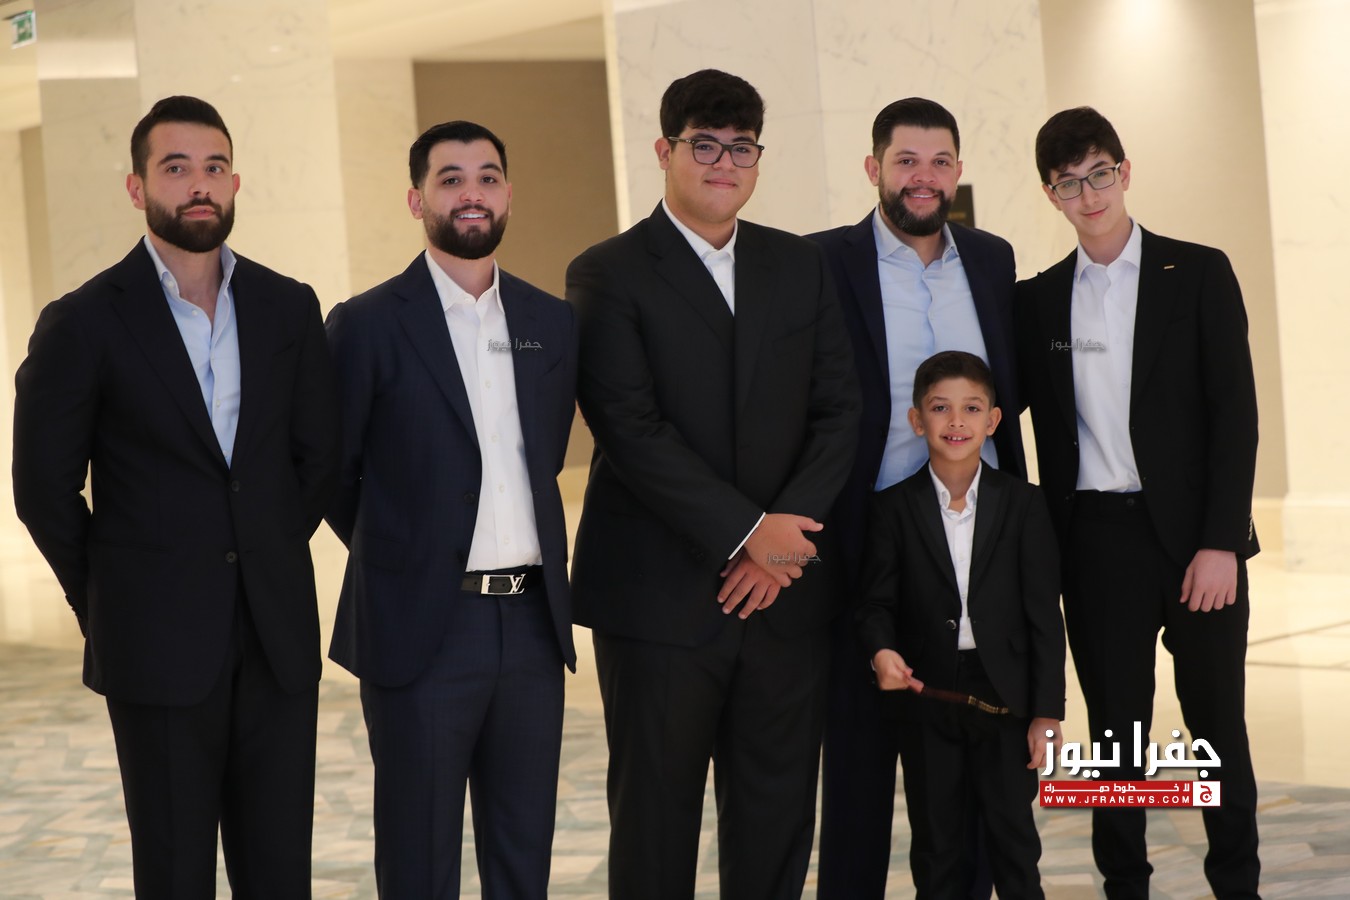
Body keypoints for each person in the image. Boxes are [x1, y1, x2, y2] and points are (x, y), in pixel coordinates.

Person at [12, 95, 339, 898]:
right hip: (152, 642)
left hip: (275, 637)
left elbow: (318, 458)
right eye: (176, 167)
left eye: (214, 167)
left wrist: (261, 547)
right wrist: (108, 593)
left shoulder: (288, 306)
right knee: (173, 873)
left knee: (280, 875)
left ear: (235, 183)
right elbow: (42, 488)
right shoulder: (83, 321)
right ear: (137, 187)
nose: (199, 184)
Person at [566, 69, 860, 900]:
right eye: (705, 145)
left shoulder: (798, 264)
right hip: (658, 600)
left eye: (741, 148)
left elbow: (840, 409)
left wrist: (781, 543)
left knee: (776, 818)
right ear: (665, 151)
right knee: (655, 823)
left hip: (784, 598)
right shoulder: (608, 272)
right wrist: (749, 533)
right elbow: (629, 427)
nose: (724, 163)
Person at [325, 120, 577, 899]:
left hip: (532, 627)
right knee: (419, 858)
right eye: (451, 179)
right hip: (421, 626)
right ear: (417, 200)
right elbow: (332, 473)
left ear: (508, 195)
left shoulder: (550, 322)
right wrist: (405, 552)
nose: (473, 193)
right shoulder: (366, 323)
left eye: (488, 178)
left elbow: (545, 456)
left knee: (523, 856)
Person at [1015, 106, 1261, 899]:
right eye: (1068, 184)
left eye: (1099, 175)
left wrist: (1222, 541)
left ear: (1124, 172)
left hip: (1197, 542)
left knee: (1216, 726)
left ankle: (1238, 884)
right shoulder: (1040, 302)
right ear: (1050, 195)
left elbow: (1235, 415)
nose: (1088, 196)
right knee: (1116, 736)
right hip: (1097, 542)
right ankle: (1126, 885)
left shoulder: (1198, 272)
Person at [807, 97, 1022, 899]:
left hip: (979, 542)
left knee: (974, 765)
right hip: (865, 541)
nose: (923, 178)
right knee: (858, 770)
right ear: (874, 168)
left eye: (939, 162)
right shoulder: (821, 262)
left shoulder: (992, 260)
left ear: (958, 170)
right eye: (905, 161)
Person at [855, 350, 1064, 899]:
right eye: (939, 407)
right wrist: (881, 651)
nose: (956, 421)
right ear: (916, 419)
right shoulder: (892, 508)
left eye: (971, 408)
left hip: (1005, 698)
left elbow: (1045, 615)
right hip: (929, 695)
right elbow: (875, 603)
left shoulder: (1024, 504)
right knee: (937, 845)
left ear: (993, 421)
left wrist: (1046, 712)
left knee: (1014, 844)